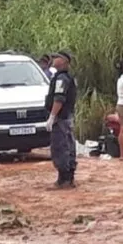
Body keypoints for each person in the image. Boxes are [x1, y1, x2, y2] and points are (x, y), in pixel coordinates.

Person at [44, 51, 77, 188]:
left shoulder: (61, 79)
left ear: (64, 61)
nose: (53, 59)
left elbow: (59, 98)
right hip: (66, 117)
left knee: (60, 146)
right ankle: (68, 179)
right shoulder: (65, 77)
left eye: (56, 57)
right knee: (68, 146)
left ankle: (63, 180)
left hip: (61, 118)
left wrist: (52, 117)